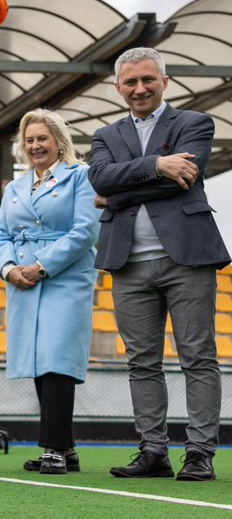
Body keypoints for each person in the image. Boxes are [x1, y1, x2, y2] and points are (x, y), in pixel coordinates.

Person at [89, 47, 229, 482]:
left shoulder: (193, 123)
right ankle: (153, 451)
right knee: (141, 362)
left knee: (198, 358)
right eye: (130, 82)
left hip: (186, 256)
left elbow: (184, 178)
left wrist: (120, 190)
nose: (139, 88)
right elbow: (98, 179)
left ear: (164, 81)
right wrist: (156, 165)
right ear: (119, 88)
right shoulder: (105, 136)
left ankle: (200, 452)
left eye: (148, 79)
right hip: (128, 262)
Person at [0, 109, 100, 475]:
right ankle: (65, 448)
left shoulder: (80, 177)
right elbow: (0, 235)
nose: (36, 145)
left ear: (58, 142)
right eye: (30, 140)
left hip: (64, 277)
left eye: (42, 139)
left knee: (57, 360)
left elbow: (85, 232)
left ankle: (52, 448)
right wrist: (8, 269)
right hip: (22, 278)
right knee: (39, 362)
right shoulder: (15, 188)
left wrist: (41, 265)